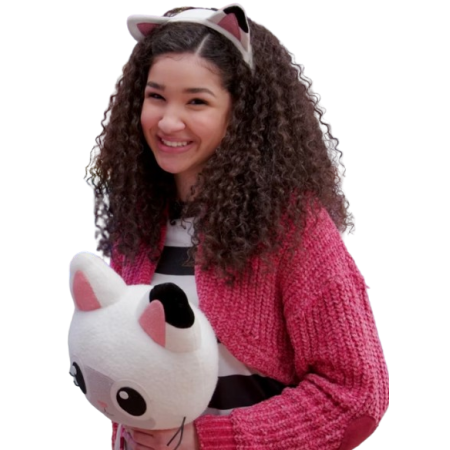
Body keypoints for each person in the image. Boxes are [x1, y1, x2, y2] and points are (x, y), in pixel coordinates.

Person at [83, 4, 389, 449]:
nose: (168, 121)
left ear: (240, 111)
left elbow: (356, 396)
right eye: (156, 96)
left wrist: (205, 440)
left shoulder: (293, 229)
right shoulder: (141, 221)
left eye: (196, 101)